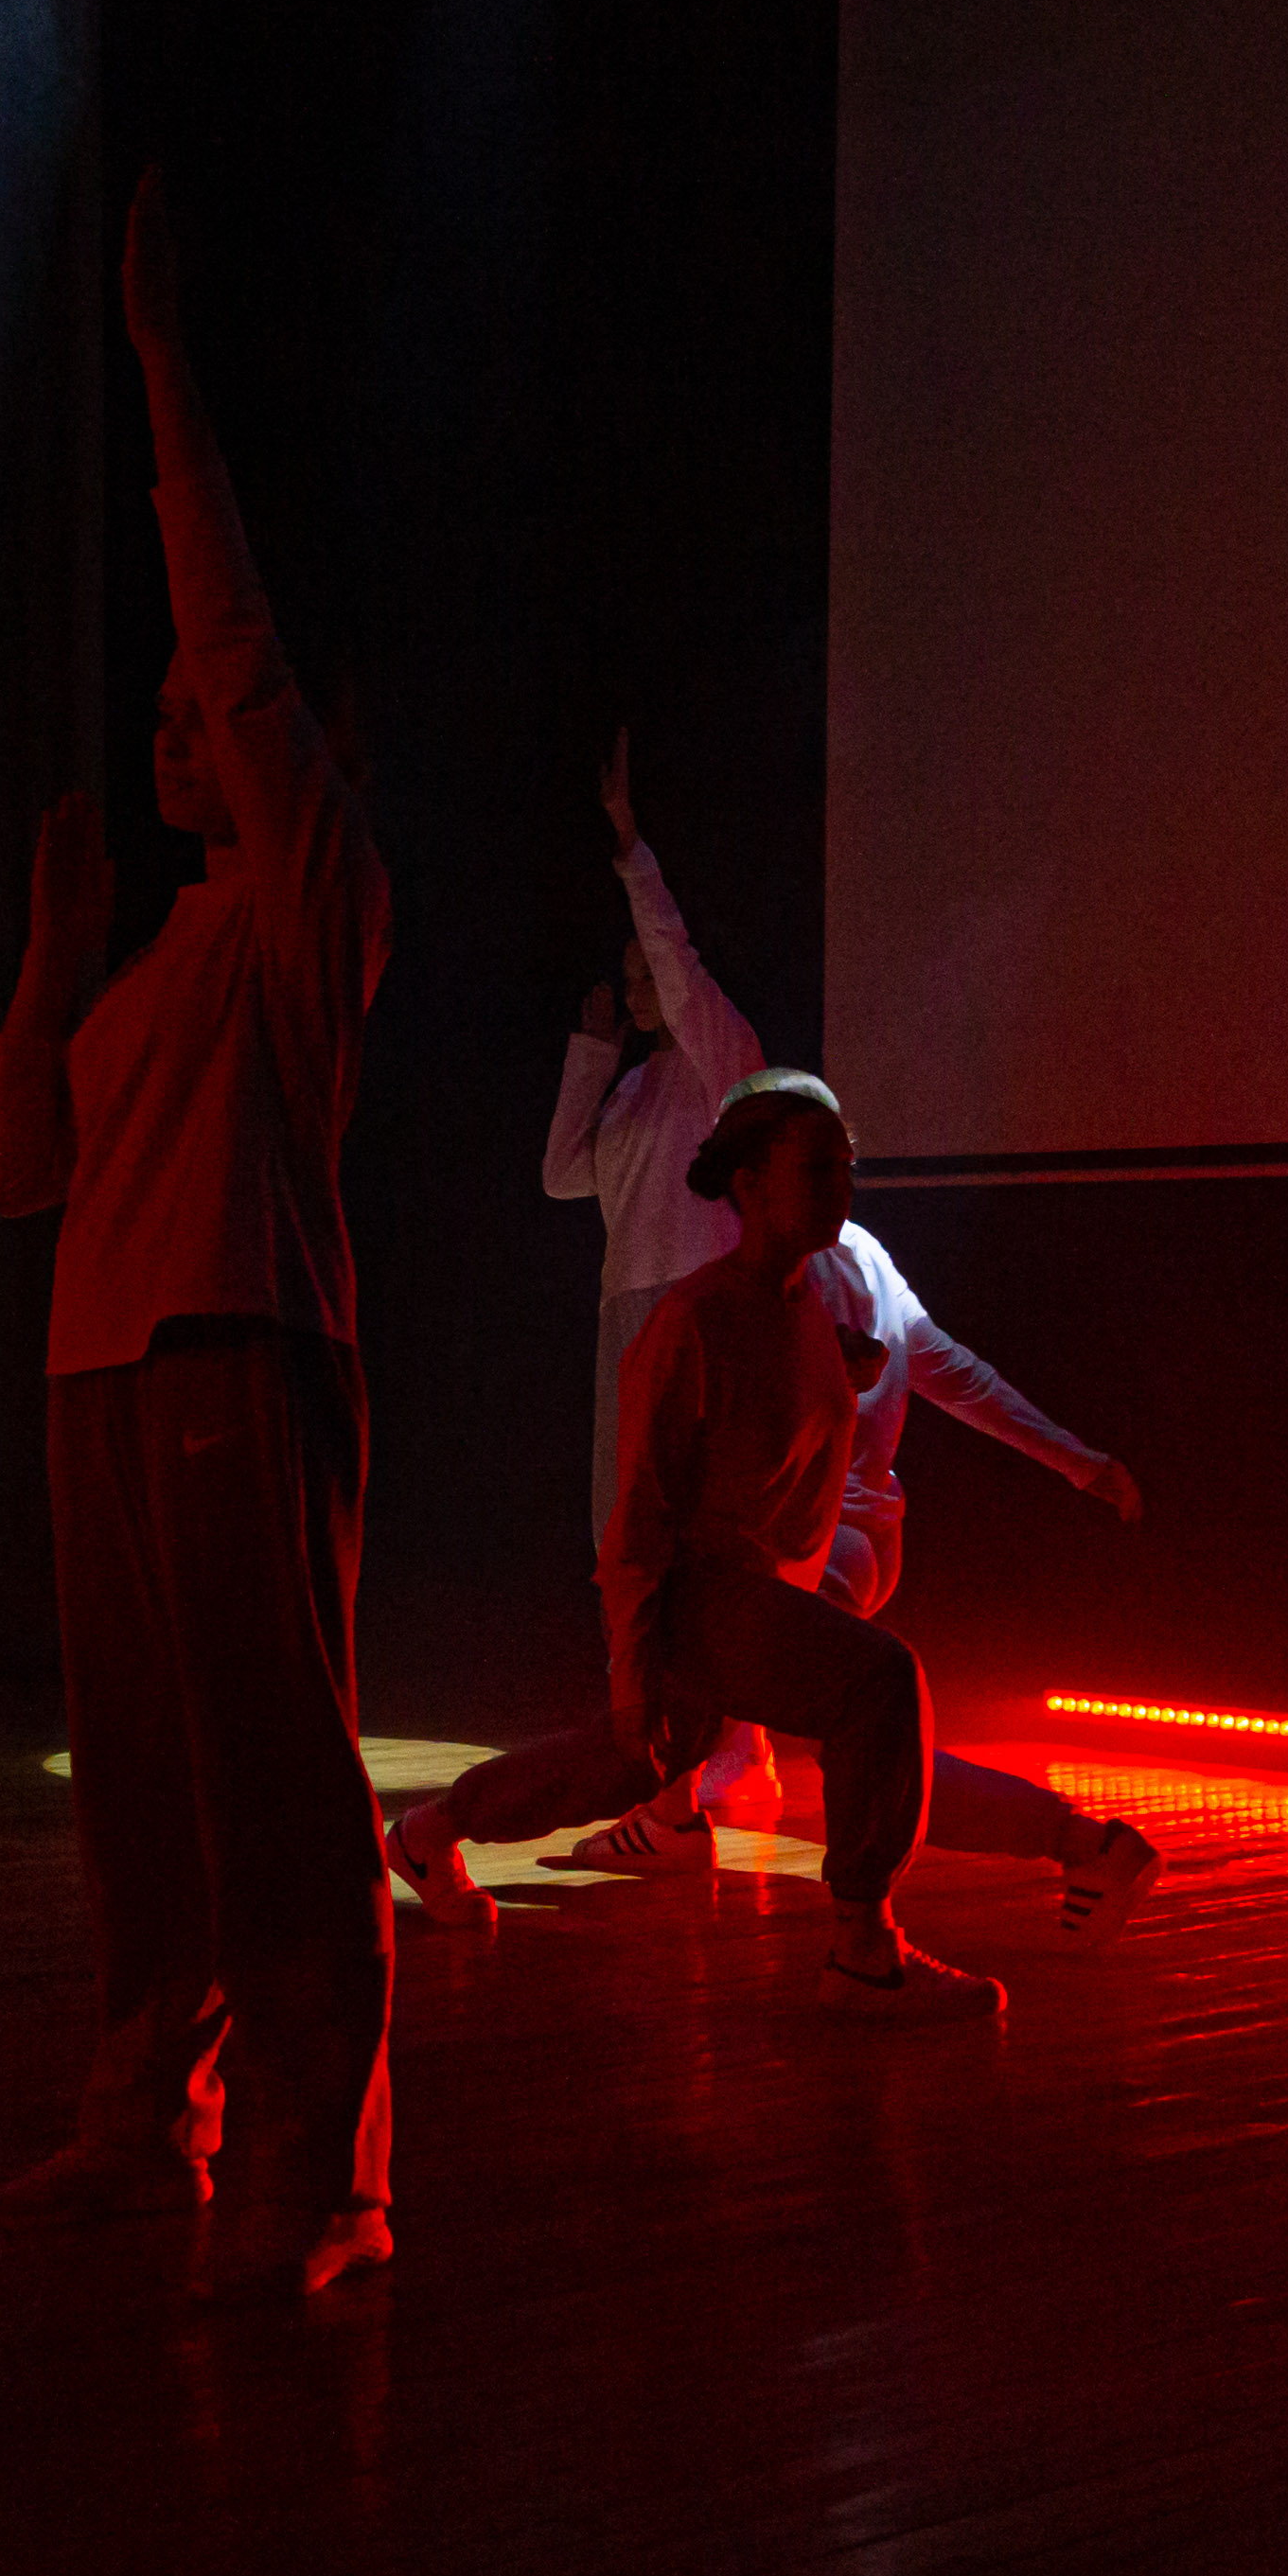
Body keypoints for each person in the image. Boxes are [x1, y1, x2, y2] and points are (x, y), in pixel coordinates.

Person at [0, 170, 401, 2302]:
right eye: (154, 724)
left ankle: (327, 2168)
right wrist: (51, 954)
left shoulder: (309, 897)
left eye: (198, 719)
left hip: (237, 1339)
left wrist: (156, 365)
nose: (174, 734)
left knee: (272, 1772)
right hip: (99, 1367)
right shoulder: (149, 958)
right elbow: (6, 1174)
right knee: (139, 1777)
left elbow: (229, 635)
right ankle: (147, 2112)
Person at [384, 1073, 1164, 2011]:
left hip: (764, 1591)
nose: (841, 1188)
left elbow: (933, 1377)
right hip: (712, 1597)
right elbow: (641, 1516)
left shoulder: (811, 1302)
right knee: (876, 1692)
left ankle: (429, 1834)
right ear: (749, 1185)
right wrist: (633, 1664)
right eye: (817, 1169)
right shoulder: (696, 1316)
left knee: (636, 1762)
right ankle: (866, 1945)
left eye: (846, 1167)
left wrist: (1070, 1459)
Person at [573, 1209, 1145, 1861]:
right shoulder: (864, 1254)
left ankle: (1083, 1845)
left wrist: (1080, 1463)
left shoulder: (770, 1271)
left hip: (809, 1547)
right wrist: (1080, 1463)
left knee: (867, 1744)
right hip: (861, 1542)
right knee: (722, 1681)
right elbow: (957, 1374)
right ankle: (711, 1788)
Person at [538, 732, 782, 1839]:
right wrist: (589, 1055)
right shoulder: (637, 1087)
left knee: (701, 1538)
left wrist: (632, 850)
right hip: (626, 1318)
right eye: (628, 970)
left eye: (646, 972)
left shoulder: (724, 1059)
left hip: (695, 1313)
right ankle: (665, 1740)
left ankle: (726, 1747)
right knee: (627, 1537)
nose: (637, 982)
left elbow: (678, 966)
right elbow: (559, 1174)